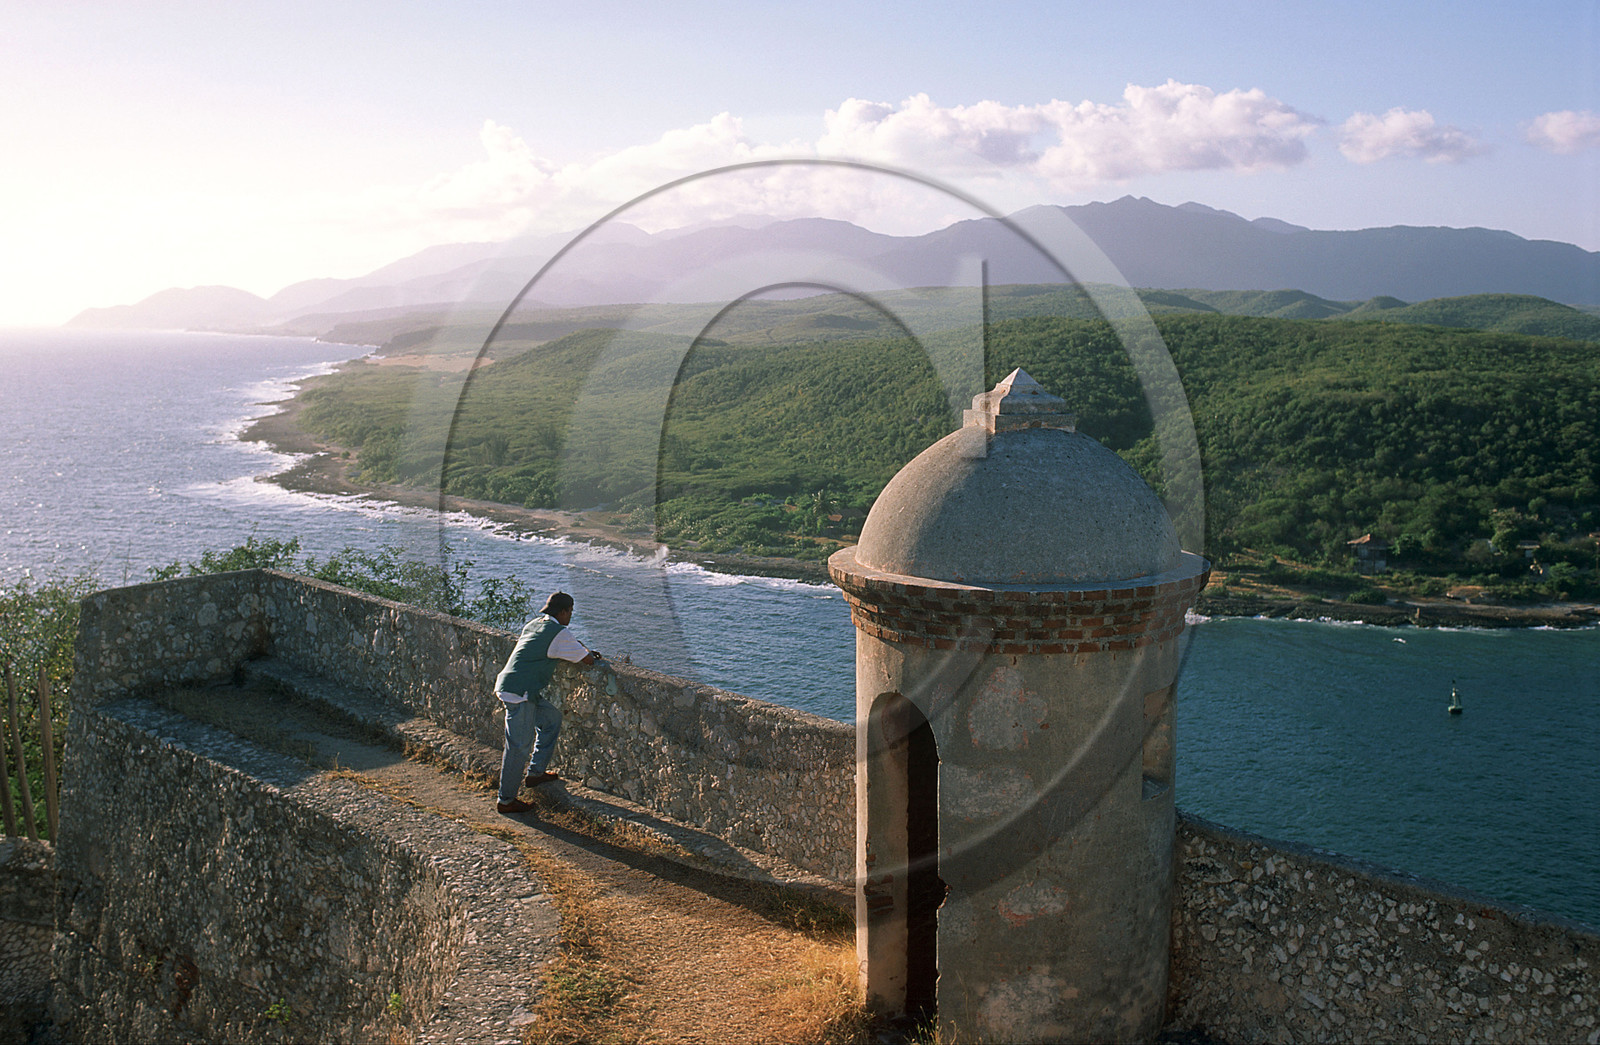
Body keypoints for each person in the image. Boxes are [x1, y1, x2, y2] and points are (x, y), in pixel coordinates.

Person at [494, 591, 600, 814]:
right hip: (521, 692)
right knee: (518, 748)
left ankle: (536, 773)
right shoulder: (559, 633)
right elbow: (588, 660)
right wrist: (587, 651)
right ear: (563, 611)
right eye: (570, 612)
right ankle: (506, 801)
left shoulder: (534, 624)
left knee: (551, 719)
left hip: (515, 686)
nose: (570, 616)